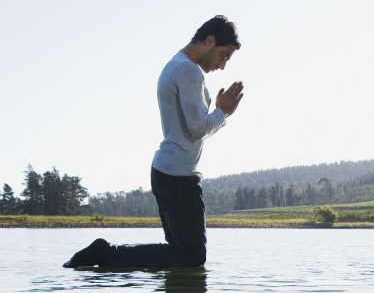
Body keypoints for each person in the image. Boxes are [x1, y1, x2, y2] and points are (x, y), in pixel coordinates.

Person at [63, 15, 243, 268]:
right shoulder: (188, 70)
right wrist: (222, 112)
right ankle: (105, 253)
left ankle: (111, 260)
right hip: (178, 176)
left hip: (169, 173)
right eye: (223, 55)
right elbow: (198, 127)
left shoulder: (176, 65)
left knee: (181, 256)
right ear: (210, 40)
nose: (223, 65)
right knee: (191, 256)